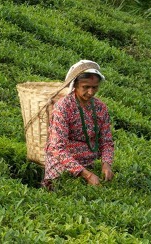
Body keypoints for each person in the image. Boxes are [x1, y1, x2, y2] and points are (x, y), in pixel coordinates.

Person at [44, 59, 115, 189]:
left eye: (95, 87)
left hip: (89, 161)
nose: (91, 92)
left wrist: (106, 164)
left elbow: (107, 141)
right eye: (85, 87)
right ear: (75, 85)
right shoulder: (63, 107)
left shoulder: (100, 108)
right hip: (63, 163)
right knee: (63, 189)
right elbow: (57, 148)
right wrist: (87, 175)